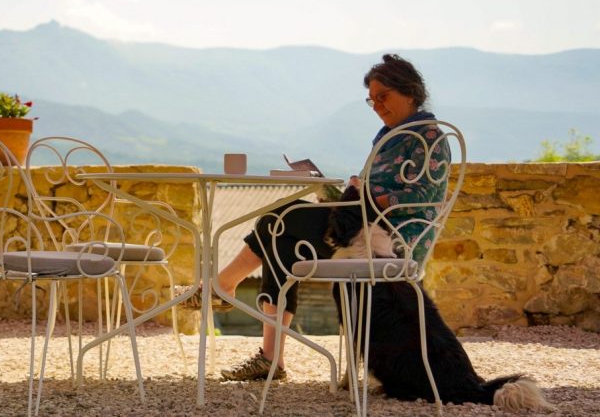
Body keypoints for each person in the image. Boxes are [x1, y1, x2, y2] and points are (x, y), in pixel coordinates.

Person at [180, 53, 452, 381]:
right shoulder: (388, 136)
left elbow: (421, 197)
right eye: (372, 99)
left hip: (391, 241)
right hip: (361, 225)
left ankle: (223, 284)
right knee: (278, 239)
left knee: (276, 221)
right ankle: (270, 358)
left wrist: (361, 191)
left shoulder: (429, 136)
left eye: (384, 96)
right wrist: (347, 194)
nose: (378, 105)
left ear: (410, 92)